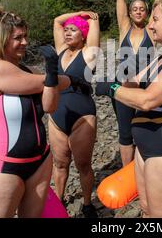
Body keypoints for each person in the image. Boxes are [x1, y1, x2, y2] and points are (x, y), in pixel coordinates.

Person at [96, 0, 162, 217]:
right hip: (147, 143)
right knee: (145, 209)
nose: (150, 25)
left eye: (155, 19)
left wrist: (112, 89)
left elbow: (148, 99)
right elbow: (133, 81)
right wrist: (108, 76)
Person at [0, 6, 71, 217]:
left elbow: (50, 106)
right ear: (1, 39)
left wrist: (52, 75)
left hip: (39, 162)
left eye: (25, 36)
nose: (25, 42)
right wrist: (57, 77)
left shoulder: (28, 71)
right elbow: (50, 83)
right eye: (18, 38)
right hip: (1, 167)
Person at [48, 11, 100, 218]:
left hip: (82, 116)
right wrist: (77, 14)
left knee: (83, 165)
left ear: (84, 35)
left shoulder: (89, 53)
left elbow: (94, 22)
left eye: (73, 30)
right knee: (60, 163)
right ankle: (59, 201)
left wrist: (88, 18)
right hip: (57, 115)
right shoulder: (60, 51)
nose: (67, 33)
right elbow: (56, 20)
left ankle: (87, 204)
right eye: (66, 30)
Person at [114, 0, 162, 166]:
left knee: (143, 128)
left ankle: (146, 168)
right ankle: (127, 173)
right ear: (130, 11)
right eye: (135, 8)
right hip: (124, 86)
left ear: (146, 13)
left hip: (145, 87)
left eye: (142, 9)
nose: (138, 11)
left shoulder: (152, 31)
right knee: (125, 132)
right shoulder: (124, 27)